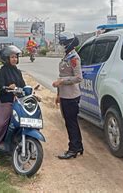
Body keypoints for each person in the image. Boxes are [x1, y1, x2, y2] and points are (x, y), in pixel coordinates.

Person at [0, 45, 26, 165]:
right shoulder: (2, 72)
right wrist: (8, 87)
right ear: (6, 58)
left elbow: (23, 85)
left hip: (18, 101)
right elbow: (0, 87)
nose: (14, 59)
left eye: (16, 57)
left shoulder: (17, 72)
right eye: (12, 57)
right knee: (1, 124)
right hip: (6, 101)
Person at [52, 31, 83, 159]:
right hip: (65, 95)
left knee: (71, 123)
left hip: (71, 96)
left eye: (63, 43)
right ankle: (78, 146)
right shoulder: (67, 56)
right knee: (70, 122)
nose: (62, 45)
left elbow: (78, 78)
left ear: (69, 43)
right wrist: (59, 94)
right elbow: (62, 75)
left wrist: (62, 82)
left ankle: (73, 149)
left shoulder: (74, 58)